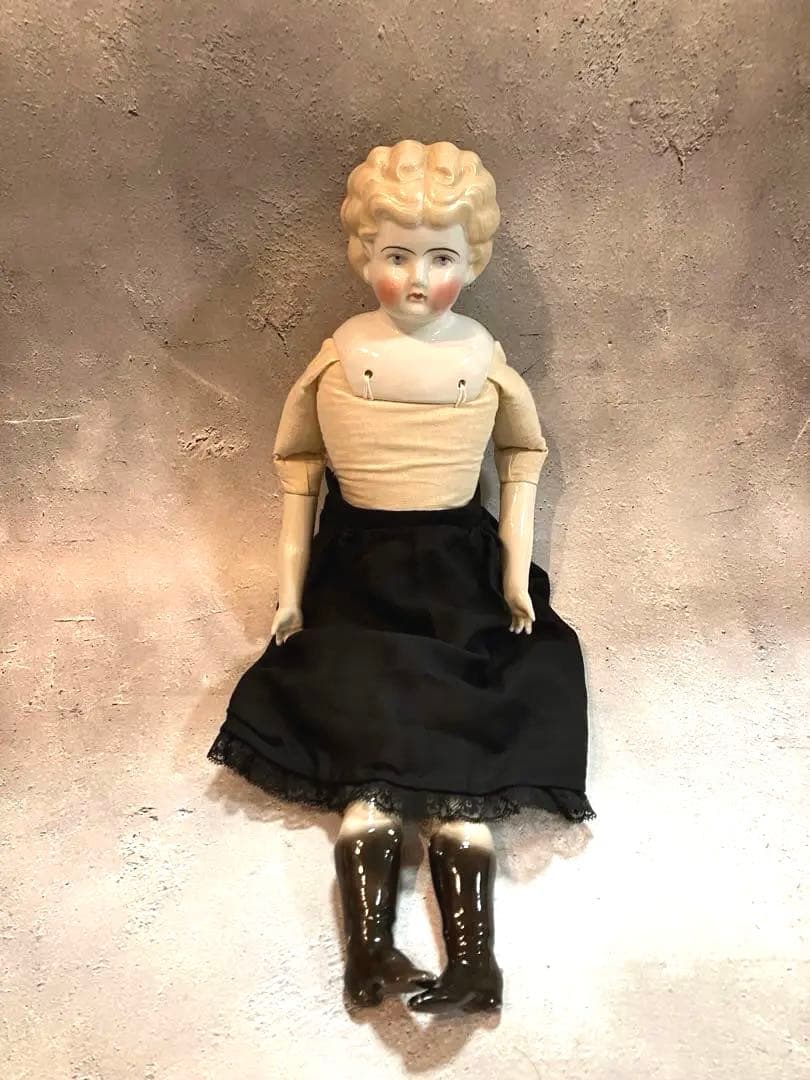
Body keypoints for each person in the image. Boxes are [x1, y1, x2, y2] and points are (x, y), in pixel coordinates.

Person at [207, 139, 595, 1014]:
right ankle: (370, 954)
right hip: (356, 573)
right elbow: (299, 473)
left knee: (462, 771)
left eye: (441, 259)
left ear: (474, 261)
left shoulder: (484, 361)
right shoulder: (338, 361)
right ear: (362, 255)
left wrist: (513, 574)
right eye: (397, 256)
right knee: (368, 771)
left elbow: (523, 456)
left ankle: (476, 965)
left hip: (460, 572)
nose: (418, 280)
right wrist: (291, 594)